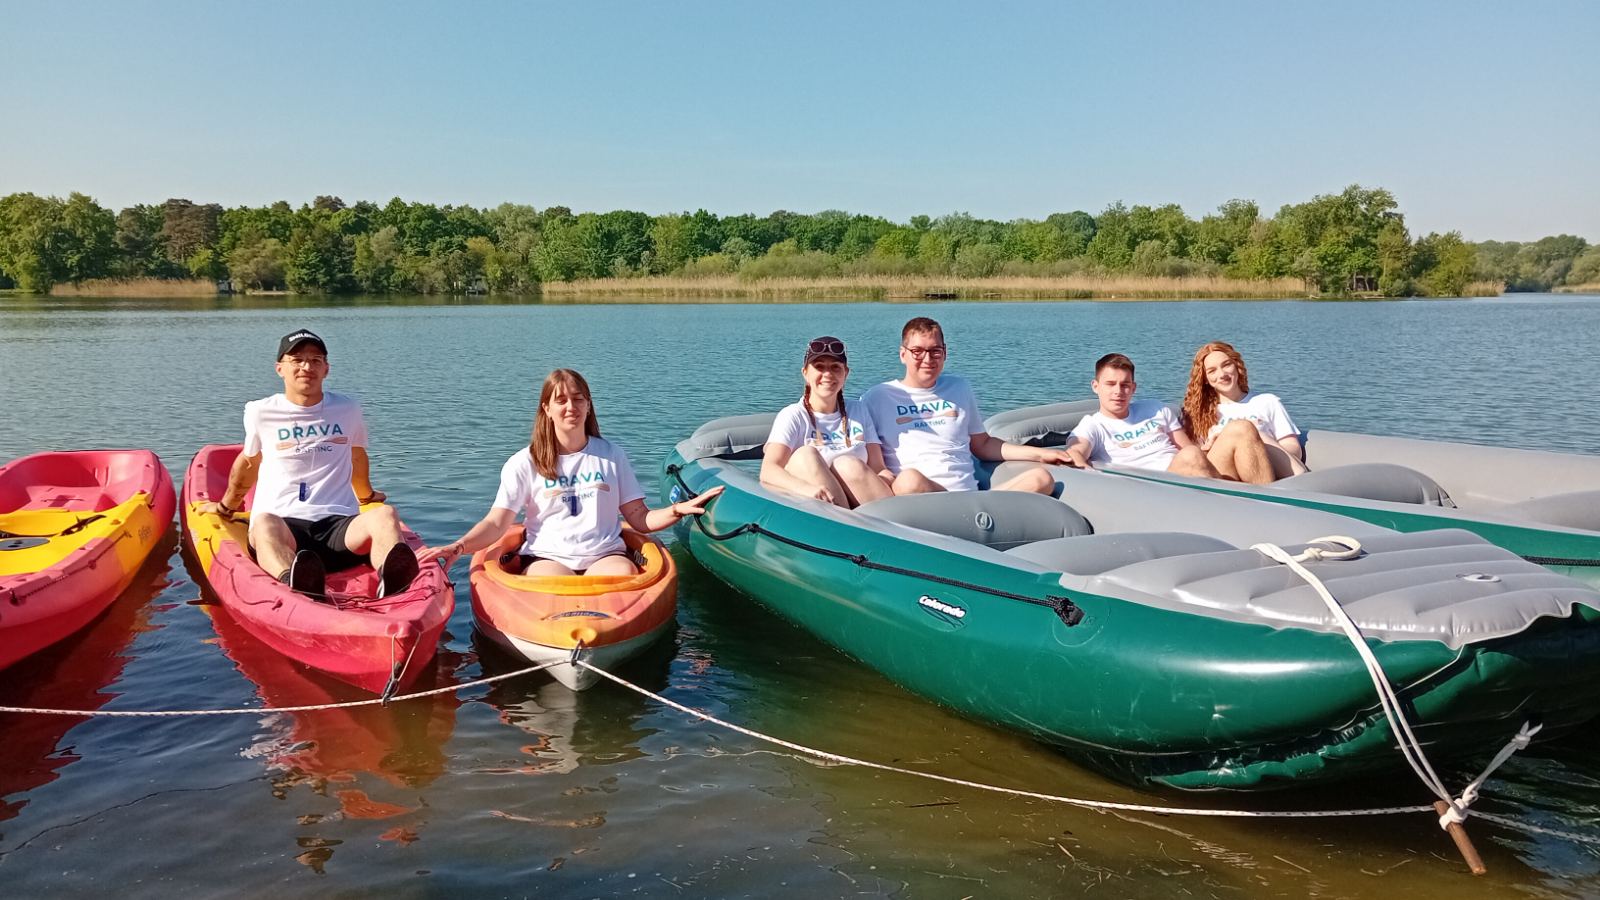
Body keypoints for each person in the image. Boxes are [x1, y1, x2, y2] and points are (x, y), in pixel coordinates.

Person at [420, 369, 721, 575]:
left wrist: (678, 509)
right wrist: (458, 546)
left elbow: (639, 519)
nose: (570, 407)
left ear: (589, 406)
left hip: (605, 555)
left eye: (578, 399)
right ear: (546, 409)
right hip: (547, 557)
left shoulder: (611, 455)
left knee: (621, 574)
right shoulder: (524, 462)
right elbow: (498, 523)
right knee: (548, 584)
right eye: (560, 400)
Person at [197, 329, 419, 599]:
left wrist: (367, 496)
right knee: (264, 522)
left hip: (338, 526)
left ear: (326, 369)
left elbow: (357, 456)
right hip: (285, 528)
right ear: (280, 368)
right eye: (297, 360)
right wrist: (226, 507)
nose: (307, 367)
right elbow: (249, 462)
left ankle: (394, 585)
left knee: (385, 515)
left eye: (316, 360)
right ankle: (297, 582)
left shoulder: (348, 409)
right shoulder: (260, 411)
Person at [860, 317, 1072, 495]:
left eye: (935, 351)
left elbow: (982, 444)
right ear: (902, 354)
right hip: (920, 498)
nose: (927, 359)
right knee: (909, 481)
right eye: (918, 351)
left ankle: (978, 520)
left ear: (945, 352)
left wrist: (1039, 454)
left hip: (969, 499)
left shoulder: (959, 388)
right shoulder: (877, 397)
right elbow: (866, 456)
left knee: (1041, 478)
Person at [1066, 352, 1273, 483]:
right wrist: (1089, 475)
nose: (1118, 391)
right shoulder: (1093, 425)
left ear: (1133, 388)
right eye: (1110, 384)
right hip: (1163, 486)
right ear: (1096, 386)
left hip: (1196, 471)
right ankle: (1241, 500)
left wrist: (1211, 442)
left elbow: (1186, 446)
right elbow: (1075, 452)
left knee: (1241, 427)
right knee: (1190, 456)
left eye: (1125, 385)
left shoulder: (1155, 409)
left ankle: (1270, 501)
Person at [761, 336, 894, 508]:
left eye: (835, 368)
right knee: (805, 455)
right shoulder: (792, 415)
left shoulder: (859, 410)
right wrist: (806, 489)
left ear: (846, 373)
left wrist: (890, 480)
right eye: (819, 367)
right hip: (819, 505)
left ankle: (898, 526)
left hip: (862, 499)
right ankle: (844, 526)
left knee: (847, 464)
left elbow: (877, 467)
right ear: (805, 373)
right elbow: (768, 470)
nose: (827, 374)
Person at [1180, 340, 1307, 480]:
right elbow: (1196, 461)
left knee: (1246, 429)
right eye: (1212, 371)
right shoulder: (1197, 413)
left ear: (1236, 366)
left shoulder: (1267, 402)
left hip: (1266, 470)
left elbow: (1293, 448)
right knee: (1240, 429)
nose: (1222, 374)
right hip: (1222, 474)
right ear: (1205, 379)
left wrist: (1258, 445)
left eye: (1226, 365)